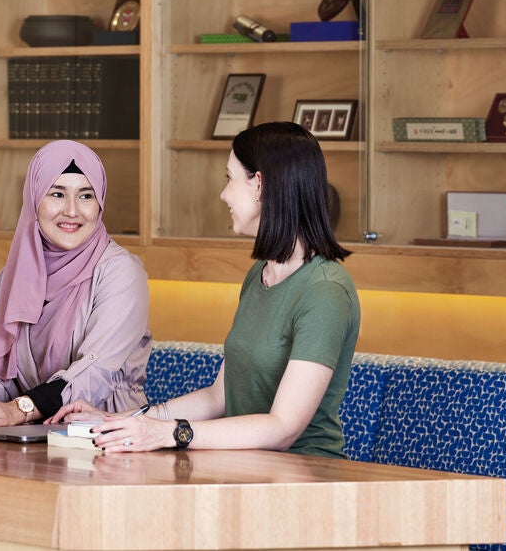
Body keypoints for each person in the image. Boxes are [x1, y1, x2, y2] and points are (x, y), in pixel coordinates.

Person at [51, 122, 360, 459]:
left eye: (229, 178)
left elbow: (283, 428)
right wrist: (121, 420)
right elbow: (219, 397)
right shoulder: (261, 274)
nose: (224, 195)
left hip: (305, 475)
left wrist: (171, 434)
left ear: (259, 185)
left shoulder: (325, 293)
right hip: (246, 465)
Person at [0, 139, 151, 428]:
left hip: (110, 436)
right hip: (33, 436)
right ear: (34, 200)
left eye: (86, 196)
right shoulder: (12, 276)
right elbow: (1, 372)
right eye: (57, 194)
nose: (72, 211)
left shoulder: (121, 273)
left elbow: (93, 374)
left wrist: (17, 409)